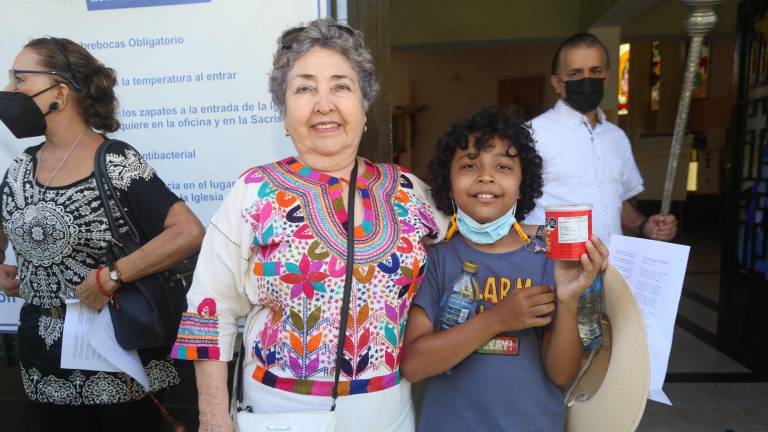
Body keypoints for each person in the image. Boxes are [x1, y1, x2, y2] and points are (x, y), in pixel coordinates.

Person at [171, 19, 444, 432]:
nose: (323, 103)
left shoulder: (410, 192)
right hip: (279, 411)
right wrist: (212, 419)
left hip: (391, 410)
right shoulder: (254, 192)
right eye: (304, 88)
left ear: (364, 104)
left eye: (340, 86)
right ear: (283, 110)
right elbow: (210, 311)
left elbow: (472, 253)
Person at [0, 37, 204, 430]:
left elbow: (187, 232)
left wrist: (112, 276)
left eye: (20, 78)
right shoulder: (22, 165)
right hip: (44, 364)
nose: (9, 90)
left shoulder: (114, 160)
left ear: (59, 91)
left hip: (119, 362)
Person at [400, 108, 608, 431]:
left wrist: (567, 300)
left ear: (522, 185)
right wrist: (498, 318)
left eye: (503, 166)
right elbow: (413, 366)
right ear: (448, 183)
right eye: (470, 165)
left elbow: (562, 374)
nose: (486, 176)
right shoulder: (436, 258)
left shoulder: (549, 261)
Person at [523, 33, 677, 243]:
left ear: (606, 76)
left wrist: (645, 225)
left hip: (609, 267)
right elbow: (507, 207)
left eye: (595, 71)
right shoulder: (531, 134)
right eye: (575, 73)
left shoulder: (616, 137)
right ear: (557, 83)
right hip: (553, 267)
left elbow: (615, 200)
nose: (587, 80)